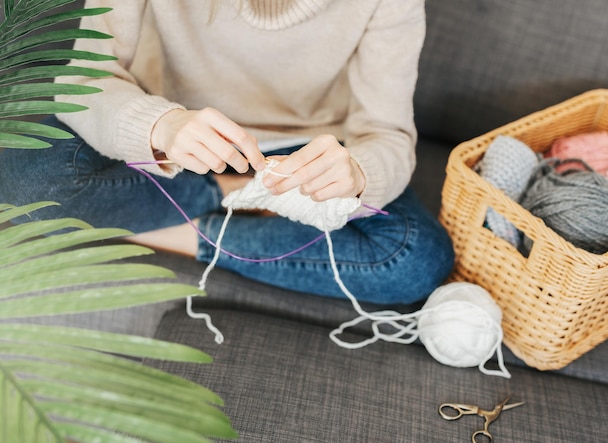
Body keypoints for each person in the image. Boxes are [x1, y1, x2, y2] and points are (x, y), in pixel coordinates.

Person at [0, 0, 454, 305]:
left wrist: (357, 172)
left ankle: (150, 220)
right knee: (20, 172)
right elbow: (86, 78)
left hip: (303, 152)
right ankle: (233, 194)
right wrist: (161, 124)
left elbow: (388, 135)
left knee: (415, 262)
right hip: (163, 137)